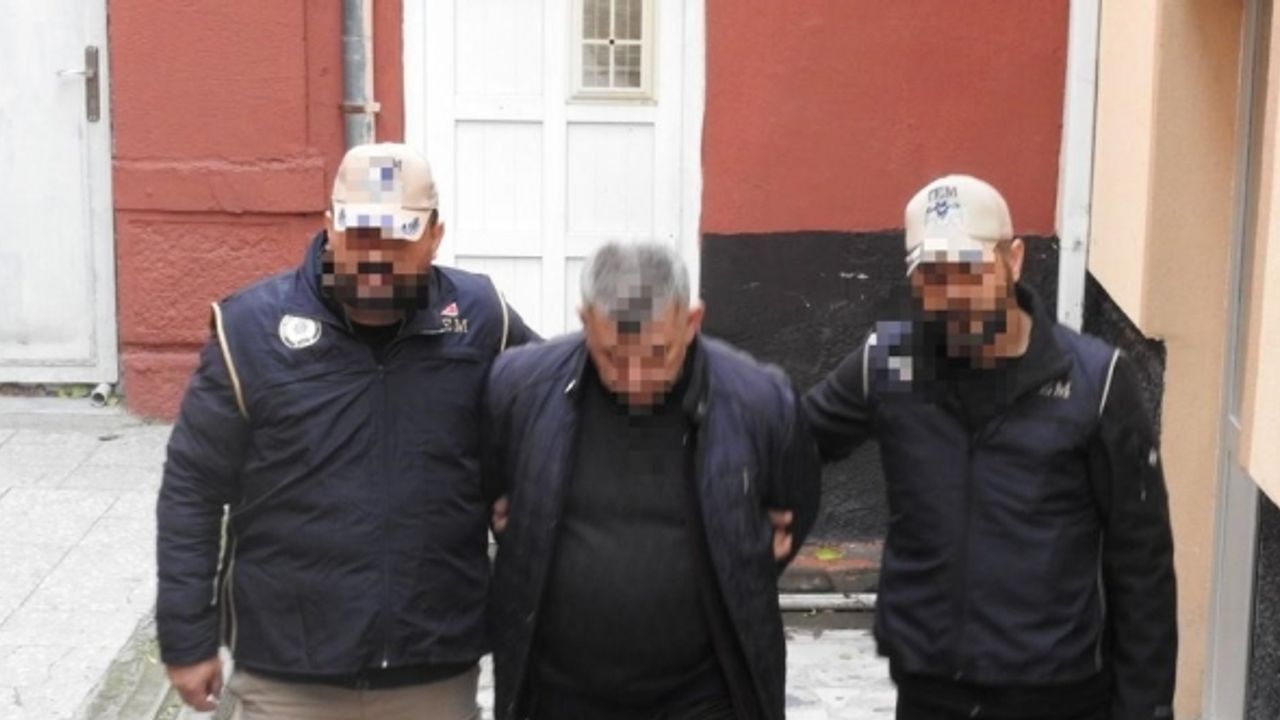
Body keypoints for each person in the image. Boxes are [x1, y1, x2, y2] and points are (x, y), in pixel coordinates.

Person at [156, 142, 536, 720]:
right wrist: (186, 638)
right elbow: (192, 488)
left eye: (398, 238)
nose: (376, 257)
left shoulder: (482, 318)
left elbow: (554, 406)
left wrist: (526, 490)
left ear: (435, 236)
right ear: (330, 226)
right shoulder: (250, 329)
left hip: (433, 665)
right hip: (287, 672)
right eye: (360, 235)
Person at [803, 175, 1177, 720]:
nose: (951, 295)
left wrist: (1146, 709)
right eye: (932, 276)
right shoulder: (891, 363)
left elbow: (1142, 565)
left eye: (969, 270)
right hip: (932, 695)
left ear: (1013, 260)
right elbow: (793, 440)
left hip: (1059, 698)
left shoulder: (1095, 383)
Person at [482, 241, 821, 720]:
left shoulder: (760, 400)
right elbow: (495, 489)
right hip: (559, 695)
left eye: (658, 354)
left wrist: (740, 554)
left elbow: (794, 502)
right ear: (585, 321)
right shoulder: (520, 388)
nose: (636, 377)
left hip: (706, 696)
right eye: (613, 356)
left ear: (692, 321)